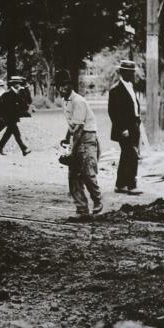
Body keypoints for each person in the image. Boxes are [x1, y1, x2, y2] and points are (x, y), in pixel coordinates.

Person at [58, 70, 102, 218]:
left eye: (63, 86)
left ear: (69, 86)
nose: (61, 89)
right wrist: (66, 140)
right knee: (73, 176)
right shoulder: (65, 101)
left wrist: (71, 151)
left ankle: (98, 200)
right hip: (76, 137)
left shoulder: (78, 101)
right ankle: (82, 209)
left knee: (87, 171)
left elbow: (78, 129)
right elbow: (72, 127)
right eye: (58, 86)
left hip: (87, 138)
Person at [108, 60, 142, 194]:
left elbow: (133, 107)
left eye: (133, 72)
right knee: (132, 155)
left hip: (134, 126)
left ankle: (120, 184)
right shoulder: (115, 90)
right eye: (130, 72)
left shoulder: (131, 87)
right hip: (125, 129)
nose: (133, 75)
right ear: (122, 73)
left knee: (127, 155)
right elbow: (113, 112)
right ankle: (131, 185)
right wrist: (122, 129)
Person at [0, 78, 30, 156]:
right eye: (17, 83)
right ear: (14, 84)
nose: (19, 85)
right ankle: (24, 149)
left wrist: (25, 91)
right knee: (17, 134)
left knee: (8, 133)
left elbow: (25, 102)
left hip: (14, 118)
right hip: (9, 118)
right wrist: (3, 117)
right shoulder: (7, 94)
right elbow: (2, 108)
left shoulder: (17, 93)